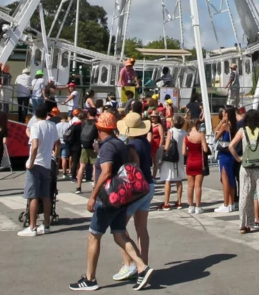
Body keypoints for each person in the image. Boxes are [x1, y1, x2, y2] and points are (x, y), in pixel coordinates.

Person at [74, 111, 153, 292]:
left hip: (108, 197)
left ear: (100, 128)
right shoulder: (120, 144)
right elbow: (134, 163)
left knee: (94, 235)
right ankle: (142, 267)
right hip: (121, 197)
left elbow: (107, 171)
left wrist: (93, 196)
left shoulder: (108, 147)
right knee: (119, 234)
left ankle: (90, 279)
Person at [113, 111, 157, 284]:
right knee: (141, 228)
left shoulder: (132, 147)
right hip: (150, 185)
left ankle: (130, 263)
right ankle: (143, 263)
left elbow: (134, 168)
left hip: (138, 187)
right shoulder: (145, 142)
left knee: (119, 226)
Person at [18, 102, 59, 236]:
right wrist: (55, 156)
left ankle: (32, 226)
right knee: (46, 196)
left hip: (36, 164)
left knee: (33, 196)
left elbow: (34, 146)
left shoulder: (36, 126)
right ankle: (46, 224)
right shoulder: (52, 126)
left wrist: (31, 161)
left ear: (36, 114)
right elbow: (58, 143)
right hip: (47, 163)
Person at [159, 113, 186, 209]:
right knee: (179, 179)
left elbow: (166, 146)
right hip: (180, 158)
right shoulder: (184, 133)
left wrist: (162, 153)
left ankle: (166, 203)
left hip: (170, 158)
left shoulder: (171, 131)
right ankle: (179, 202)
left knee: (168, 179)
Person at [214, 107, 238, 214]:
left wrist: (221, 122)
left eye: (225, 114)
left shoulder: (225, 125)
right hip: (231, 153)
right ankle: (232, 202)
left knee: (225, 179)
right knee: (231, 178)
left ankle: (226, 203)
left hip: (224, 153)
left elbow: (215, 134)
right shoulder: (234, 125)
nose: (223, 116)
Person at [183, 118, 207, 215]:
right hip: (199, 161)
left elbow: (184, 152)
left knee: (190, 186)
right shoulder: (201, 135)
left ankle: (190, 206)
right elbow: (205, 150)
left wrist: (191, 151)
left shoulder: (186, 136)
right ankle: (198, 207)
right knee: (198, 186)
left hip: (190, 161)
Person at [77, 109, 99, 193]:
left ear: (88, 113)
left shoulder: (84, 122)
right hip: (93, 146)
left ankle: (79, 187)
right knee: (94, 167)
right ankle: (95, 187)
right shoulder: (96, 123)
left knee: (82, 166)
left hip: (84, 146)